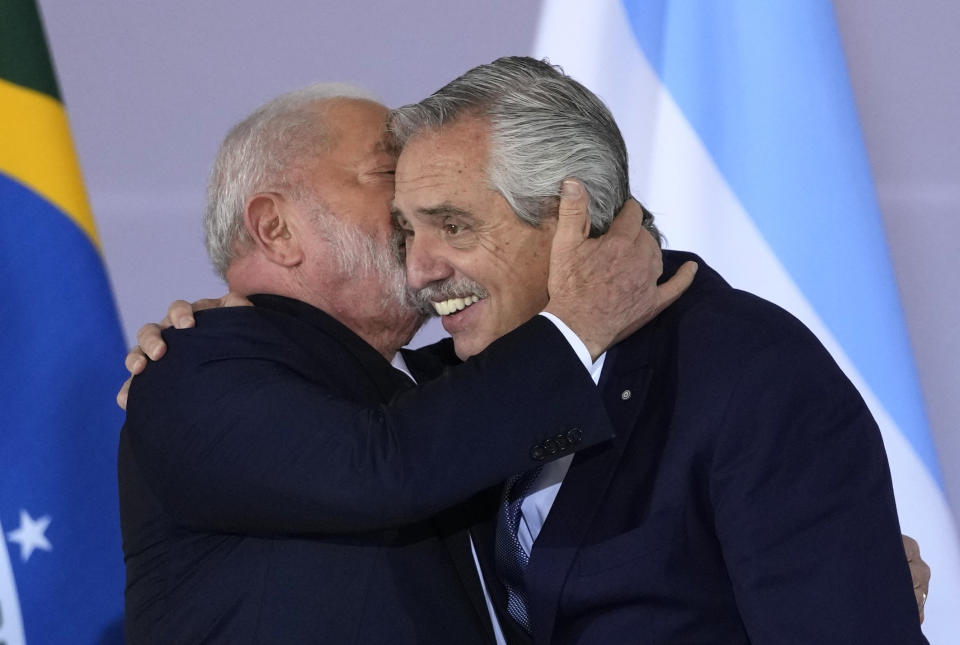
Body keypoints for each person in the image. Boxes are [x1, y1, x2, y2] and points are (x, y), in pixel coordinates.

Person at [124, 61, 931, 642]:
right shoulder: (206, 371)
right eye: (399, 208)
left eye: (451, 222)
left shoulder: (738, 370)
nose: (420, 259)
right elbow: (386, 464)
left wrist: (842, 579)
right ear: (273, 228)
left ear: (566, 215)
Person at [118, 83, 691, 643]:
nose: (414, 199)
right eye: (390, 174)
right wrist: (576, 323)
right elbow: (381, 468)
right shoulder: (188, 367)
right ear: (275, 227)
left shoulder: (444, 389)